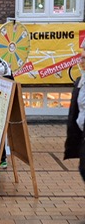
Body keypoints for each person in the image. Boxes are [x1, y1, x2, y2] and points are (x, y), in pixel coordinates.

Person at [64, 48, 85, 182]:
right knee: (83, 168)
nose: (81, 61)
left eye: (84, 58)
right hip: (82, 134)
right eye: (81, 57)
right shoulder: (80, 80)